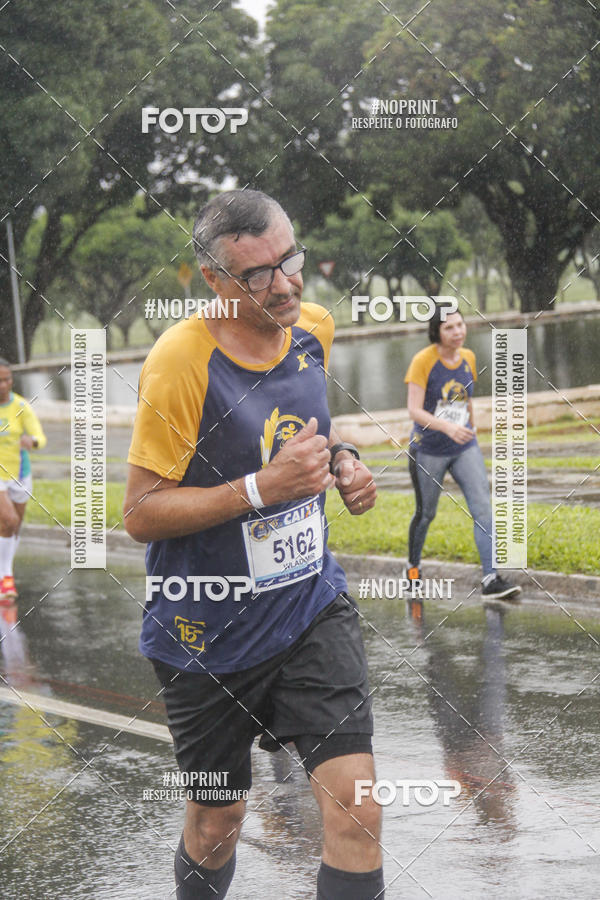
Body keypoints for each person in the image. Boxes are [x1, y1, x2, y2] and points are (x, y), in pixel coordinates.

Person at [124, 190, 384, 899]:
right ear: (213, 279)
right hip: (204, 631)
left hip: (309, 608)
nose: (286, 285)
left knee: (357, 809)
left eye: (290, 261)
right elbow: (141, 512)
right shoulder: (181, 362)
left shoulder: (313, 328)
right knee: (219, 820)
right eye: (258, 275)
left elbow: (304, 428)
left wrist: (343, 461)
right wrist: (261, 489)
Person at [404, 306, 521, 601]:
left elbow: (466, 398)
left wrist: (472, 427)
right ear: (436, 332)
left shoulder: (468, 357)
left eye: (460, 325)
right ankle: (413, 569)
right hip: (428, 450)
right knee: (426, 514)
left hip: (463, 447)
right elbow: (414, 410)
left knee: (483, 509)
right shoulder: (423, 361)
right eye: (449, 328)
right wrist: (447, 427)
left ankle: (490, 579)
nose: (457, 332)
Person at [0, 359, 47, 604]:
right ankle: (6, 577)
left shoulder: (20, 406)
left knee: (14, 525)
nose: (3, 384)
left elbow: (40, 437)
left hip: (19, 473)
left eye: (7, 379)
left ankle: (4, 570)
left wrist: (33, 442)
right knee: (8, 520)